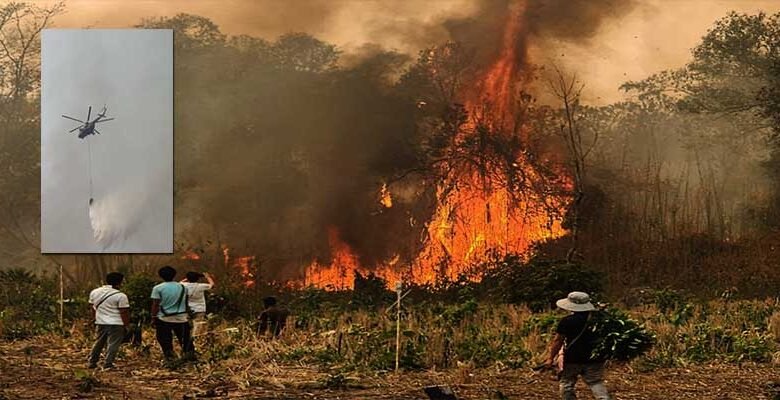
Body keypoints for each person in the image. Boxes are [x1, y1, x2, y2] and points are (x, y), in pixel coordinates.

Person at [544, 291, 610, 400]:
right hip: (594, 358)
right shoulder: (599, 321)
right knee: (595, 382)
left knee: (567, 383)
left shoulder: (567, 321)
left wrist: (550, 358)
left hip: (572, 358)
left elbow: (558, 340)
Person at [151, 266, 195, 364]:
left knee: (164, 340)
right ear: (174, 275)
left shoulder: (158, 288)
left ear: (160, 276)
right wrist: (189, 315)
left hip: (164, 318)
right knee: (185, 340)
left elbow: (155, 304)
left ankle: (170, 358)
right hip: (181, 318)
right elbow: (186, 302)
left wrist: (153, 318)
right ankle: (190, 357)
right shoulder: (183, 287)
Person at [87, 272, 130, 370]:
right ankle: (108, 363)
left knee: (98, 342)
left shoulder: (95, 292)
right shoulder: (121, 296)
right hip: (116, 323)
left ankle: (92, 361)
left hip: (101, 322)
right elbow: (124, 311)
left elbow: (92, 308)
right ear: (119, 282)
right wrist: (126, 325)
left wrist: (94, 319)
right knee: (113, 344)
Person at [181, 271, 215, 338]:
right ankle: (196, 339)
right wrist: (207, 277)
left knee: (187, 326)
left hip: (187, 309)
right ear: (197, 278)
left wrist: (187, 278)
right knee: (198, 326)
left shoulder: (184, 285)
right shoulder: (201, 286)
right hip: (199, 309)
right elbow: (212, 285)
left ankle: (187, 339)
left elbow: (179, 282)